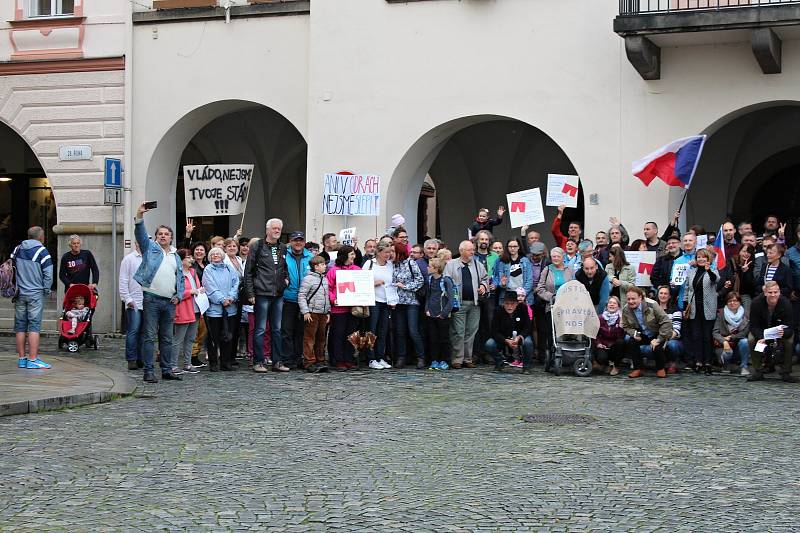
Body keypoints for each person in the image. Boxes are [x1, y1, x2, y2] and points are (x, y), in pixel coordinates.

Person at [134, 203, 185, 383]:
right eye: (160, 234)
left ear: (171, 238)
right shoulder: (150, 249)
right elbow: (140, 235)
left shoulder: (175, 255)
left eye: (166, 234)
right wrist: (139, 216)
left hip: (169, 302)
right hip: (152, 298)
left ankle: (166, 369)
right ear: (156, 237)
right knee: (149, 336)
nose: (163, 236)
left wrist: (179, 295)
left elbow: (180, 277)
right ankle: (148, 370)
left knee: (166, 337)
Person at [245, 218, 289, 373]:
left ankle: (277, 361)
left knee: (277, 329)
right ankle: (258, 361)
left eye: (279, 229)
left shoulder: (282, 247)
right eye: (274, 228)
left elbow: (283, 268)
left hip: (278, 294)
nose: (277, 231)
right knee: (260, 329)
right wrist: (250, 293)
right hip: (262, 292)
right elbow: (248, 271)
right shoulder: (257, 246)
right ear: (267, 230)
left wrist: (286, 280)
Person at [12, 226, 54, 370]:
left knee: (20, 327)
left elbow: (10, 267)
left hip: (19, 293)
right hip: (35, 294)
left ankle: (22, 359)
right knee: (34, 327)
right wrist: (46, 290)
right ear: (41, 237)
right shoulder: (42, 252)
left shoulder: (17, 249)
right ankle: (33, 359)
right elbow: (48, 275)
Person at [444, 240, 489, 369]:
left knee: (471, 332)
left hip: (474, 303)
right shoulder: (451, 264)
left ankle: (467, 358)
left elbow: (485, 278)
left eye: (472, 250)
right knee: (458, 331)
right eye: (469, 250)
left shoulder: (477, 264)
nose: (472, 252)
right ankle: (457, 359)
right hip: (459, 304)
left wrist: (483, 286)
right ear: (461, 251)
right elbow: (446, 282)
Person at [747, 281, 796, 383]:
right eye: (770, 292)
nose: (773, 295)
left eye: (775, 292)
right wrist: (761, 337)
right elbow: (753, 325)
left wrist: (785, 332)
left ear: (779, 292)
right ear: (765, 293)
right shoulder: (756, 303)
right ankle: (758, 370)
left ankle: (786, 371)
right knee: (751, 339)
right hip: (762, 331)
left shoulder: (786, 303)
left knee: (789, 341)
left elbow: (790, 325)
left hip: (779, 331)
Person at [621, 287, 672, 379]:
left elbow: (666, 322)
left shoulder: (652, 305)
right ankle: (638, 368)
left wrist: (659, 339)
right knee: (631, 341)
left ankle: (660, 368)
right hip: (642, 333)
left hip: (657, 332)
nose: (630, 301)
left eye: (633, 299)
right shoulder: (626, 309)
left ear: (640, 297)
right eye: (628, 299)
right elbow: (625, 326)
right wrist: (634, 334)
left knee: (657, 346)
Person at [203, 247, 240, 372]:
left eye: (218, 253)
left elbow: (236, 283)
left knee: (228, 336)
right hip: (215, 310)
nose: (216, 256)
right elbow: (209, 286)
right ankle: (213, 363)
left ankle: (226, 362)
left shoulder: (229, 268)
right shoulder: (208, 270)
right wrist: (221, 299)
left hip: (230, 308)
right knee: (214, 337)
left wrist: (231, 297)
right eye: (213, 254)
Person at [683, 249, 718, 374]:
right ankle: (698, 361)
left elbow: (716, 280)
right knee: (696, 336)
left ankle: (708, 362)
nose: (701, 259)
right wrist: (685, 305)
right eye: (698, 257)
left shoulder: (713, 271)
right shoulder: (691, 272)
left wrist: (709, 270)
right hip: (694, 308)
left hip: (708, 308)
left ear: (708, 259)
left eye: (704, 257)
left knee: (707, 336)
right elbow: (687, 289)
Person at [391, 242, 426, 369]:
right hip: (397, 303)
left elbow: (420, 280)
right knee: (400, 331)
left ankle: (420, 357)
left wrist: (406, 287)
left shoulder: (411, 263)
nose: (390, 254)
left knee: (413, 330)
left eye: (393, 252)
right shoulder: (392, 265)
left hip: (411, 302)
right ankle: (401, 357)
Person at [534, 247, 574, 357]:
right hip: (551, 305)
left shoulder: (569, 269)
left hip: (567, 306)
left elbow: (574, 286)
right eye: (553, 257)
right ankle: (552, 355)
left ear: (563, 257)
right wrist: (552, 297)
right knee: (551, 332)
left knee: (565, 331)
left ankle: (567, 355)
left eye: (558, 256)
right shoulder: (547, 270)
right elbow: (540, 288)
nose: (556, 258)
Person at [362, 241, 396, 370]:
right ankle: (371, 358)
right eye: (386, 252)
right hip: (373, 300)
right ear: (379, 252)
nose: (388, 255)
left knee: (383, 330)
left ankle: (380, 356)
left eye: (390, 252)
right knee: (372, 330)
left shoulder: (390, 265)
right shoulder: (369, 263)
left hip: (386, 301)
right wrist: (374, 283)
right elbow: (362, 280)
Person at [326, 246, 361, 370]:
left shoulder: (357, 270)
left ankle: (349, 358)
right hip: (338, 309)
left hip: (353, 309)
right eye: (351, 254)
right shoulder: (333, 271)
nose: (354, 256)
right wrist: (332, 299)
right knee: (338, 335)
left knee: (351, 335)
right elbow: (328, 288)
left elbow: (362, 285)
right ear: (344, 255)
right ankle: (337, 360)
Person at [282, 231, 313, 368]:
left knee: (301, 331)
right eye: (295, 240)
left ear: (304, 242)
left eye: (300, 240)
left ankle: (298, 357)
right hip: (288, 298)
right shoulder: (283, 255)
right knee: (287, 330)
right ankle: (287, 359)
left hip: (306, 300)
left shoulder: (310, 257)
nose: (298, 242)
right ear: (290, 241)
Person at [172, 249, 203, 374]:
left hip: (195, 309)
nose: (191, 259)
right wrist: (189, 292)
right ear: (181, 260)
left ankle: (187, 364)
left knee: (190, 338)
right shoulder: (176, 274)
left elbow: (197, 287)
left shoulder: (193, 272)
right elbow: (174, 293)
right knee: (178, 339)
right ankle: (173, 365)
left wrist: (201, 290)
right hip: (183, 309)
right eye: (188, 257)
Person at [486, 292, 534, 373]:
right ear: (503, 303)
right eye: (507, 304)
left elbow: (528, 326)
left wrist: (520, 337)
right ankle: (499, 362)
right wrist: (506, 340)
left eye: (512, 304)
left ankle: (526, 366)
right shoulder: (498, 310)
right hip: (504, 337)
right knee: (489, 344)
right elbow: (494, 331)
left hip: (519, 336)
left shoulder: (523, 308)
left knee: (528, 342)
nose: (509, 306)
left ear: (517, 304)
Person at [298, 255, 330, 373]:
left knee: (321, 338)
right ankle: (309, 361)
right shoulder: (308, 279)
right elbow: (302, 296)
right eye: (322, 264)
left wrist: (328, 311)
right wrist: (305, 311)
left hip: (322, 312)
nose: (325, 266)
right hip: (312, 312)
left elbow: (326, 296)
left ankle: (320, 359)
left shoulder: (324, 279)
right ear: (316, 267)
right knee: (309, 338)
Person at [473, 230, 499, 361]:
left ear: (489, 242)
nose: (484, 242)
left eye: (486, 240)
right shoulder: (473, 256)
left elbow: (498, 274)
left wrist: (496, 283)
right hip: (475, 293)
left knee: (489, 323)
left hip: (490, 294)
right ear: (477, 241)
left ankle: (489, 352)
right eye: (481, 239)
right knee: (475, 324)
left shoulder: (495, 256)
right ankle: (477, 353)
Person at [425, 257, 455, 370]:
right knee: (433, 339)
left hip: (442, 315)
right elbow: (428, 296)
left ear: (437, 268)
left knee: (444, 338)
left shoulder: (446, 280)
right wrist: (426, 309)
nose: (428, 268)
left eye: (430, 266)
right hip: (431, 314)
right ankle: (434, 360)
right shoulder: (429, 280)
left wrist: (444, 313)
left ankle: (445, 360)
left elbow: (451, 300)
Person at [119, 241, 144, 370]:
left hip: (148, 301)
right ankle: (131, 359)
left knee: (145, 332)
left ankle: (141, 358)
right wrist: (127, 299)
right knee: (133, 330)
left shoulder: (151, 258)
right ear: (136, 244)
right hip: (134, 301)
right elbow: (123, 280)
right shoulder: (129, 259)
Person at [713, 291, 750, 376]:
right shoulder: (720, 313)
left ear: (739, 302)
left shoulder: (746, 314)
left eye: (735, 300)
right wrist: (724, 341)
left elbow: (745, 332)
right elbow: (715, 332)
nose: (732, 303)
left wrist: (731, 338)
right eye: (730, 301)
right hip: (724, 345)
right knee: (727, 352)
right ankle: (725, 365)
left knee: (745, 342)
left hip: (738, 344)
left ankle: (744, 366)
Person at [494, 238, 533, 305]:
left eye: (515, 246)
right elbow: (500, 281)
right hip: (508, 294)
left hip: (523, 295)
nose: (512, 248)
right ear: (507, 247)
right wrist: (502, 284)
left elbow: (529, 280)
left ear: (519, 247)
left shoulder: (525, 261)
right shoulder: (502, 262)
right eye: (510, 246)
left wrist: (522, 294)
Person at [653, 285, 683, 373]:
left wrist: (661, 339)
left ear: (669, 296)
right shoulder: (652, 309)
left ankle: (672, 362)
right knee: (645, 349)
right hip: (656, 338)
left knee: (672, 345)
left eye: (665, 294)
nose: (663, 295)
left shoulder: (675, 310)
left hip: (671, 339)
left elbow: (676, 331)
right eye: (661, 293)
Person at [189, 241, 209, 366]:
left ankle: (196, 354)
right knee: (195, 330)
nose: (199, 252)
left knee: (203, 329)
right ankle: (192, 356)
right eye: (197, 249)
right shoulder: (191, 266)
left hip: (204, 300)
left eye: (201, 250)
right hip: (194, 300)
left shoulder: (208, 265)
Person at [594, 296, 625, 375]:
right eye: (610, 303)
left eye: (614, 303)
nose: (612, 305)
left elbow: (620, 337)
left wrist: (620, 326)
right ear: (607, 305)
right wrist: (598, 343)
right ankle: (605, 365)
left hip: (614, 347)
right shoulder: (600, 318)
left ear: (618, 307)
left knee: (620, 342)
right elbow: (594, 334)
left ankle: (616, 366)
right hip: (602, 345)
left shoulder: (621, 319)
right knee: (601, 357)